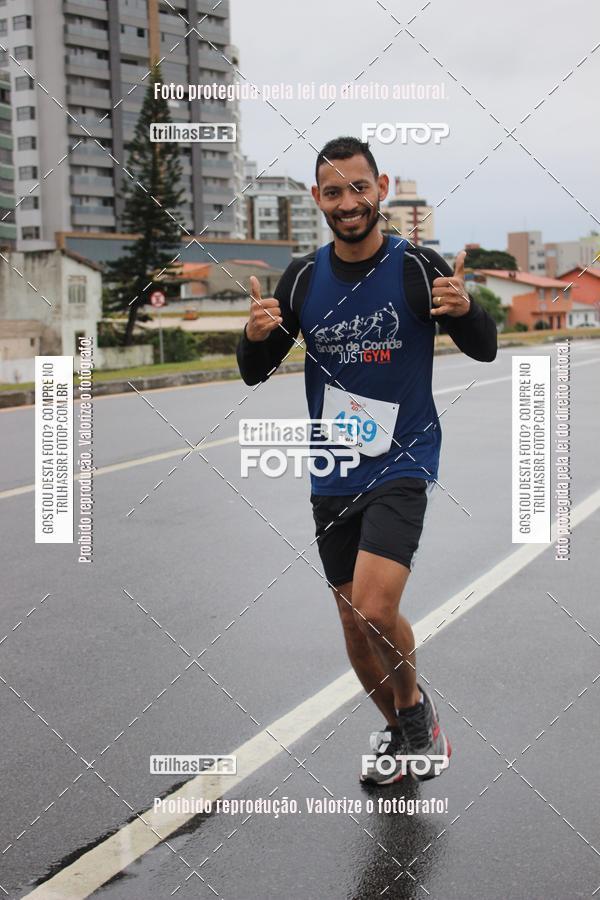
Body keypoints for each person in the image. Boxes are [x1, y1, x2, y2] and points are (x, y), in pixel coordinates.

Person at [236, 136, 497, 785]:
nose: (348, 202)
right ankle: (401, 730)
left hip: (402, 461)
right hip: (333, 470)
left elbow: (484, 347)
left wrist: (469, 311)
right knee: (355, 628)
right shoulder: (302, 277)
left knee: (377, 609)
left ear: (379, 190)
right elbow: (253, 372)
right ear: (319, 200)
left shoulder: (418, 267)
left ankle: (415, 720)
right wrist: (253, 336)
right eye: (333, 192)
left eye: (358, 188)